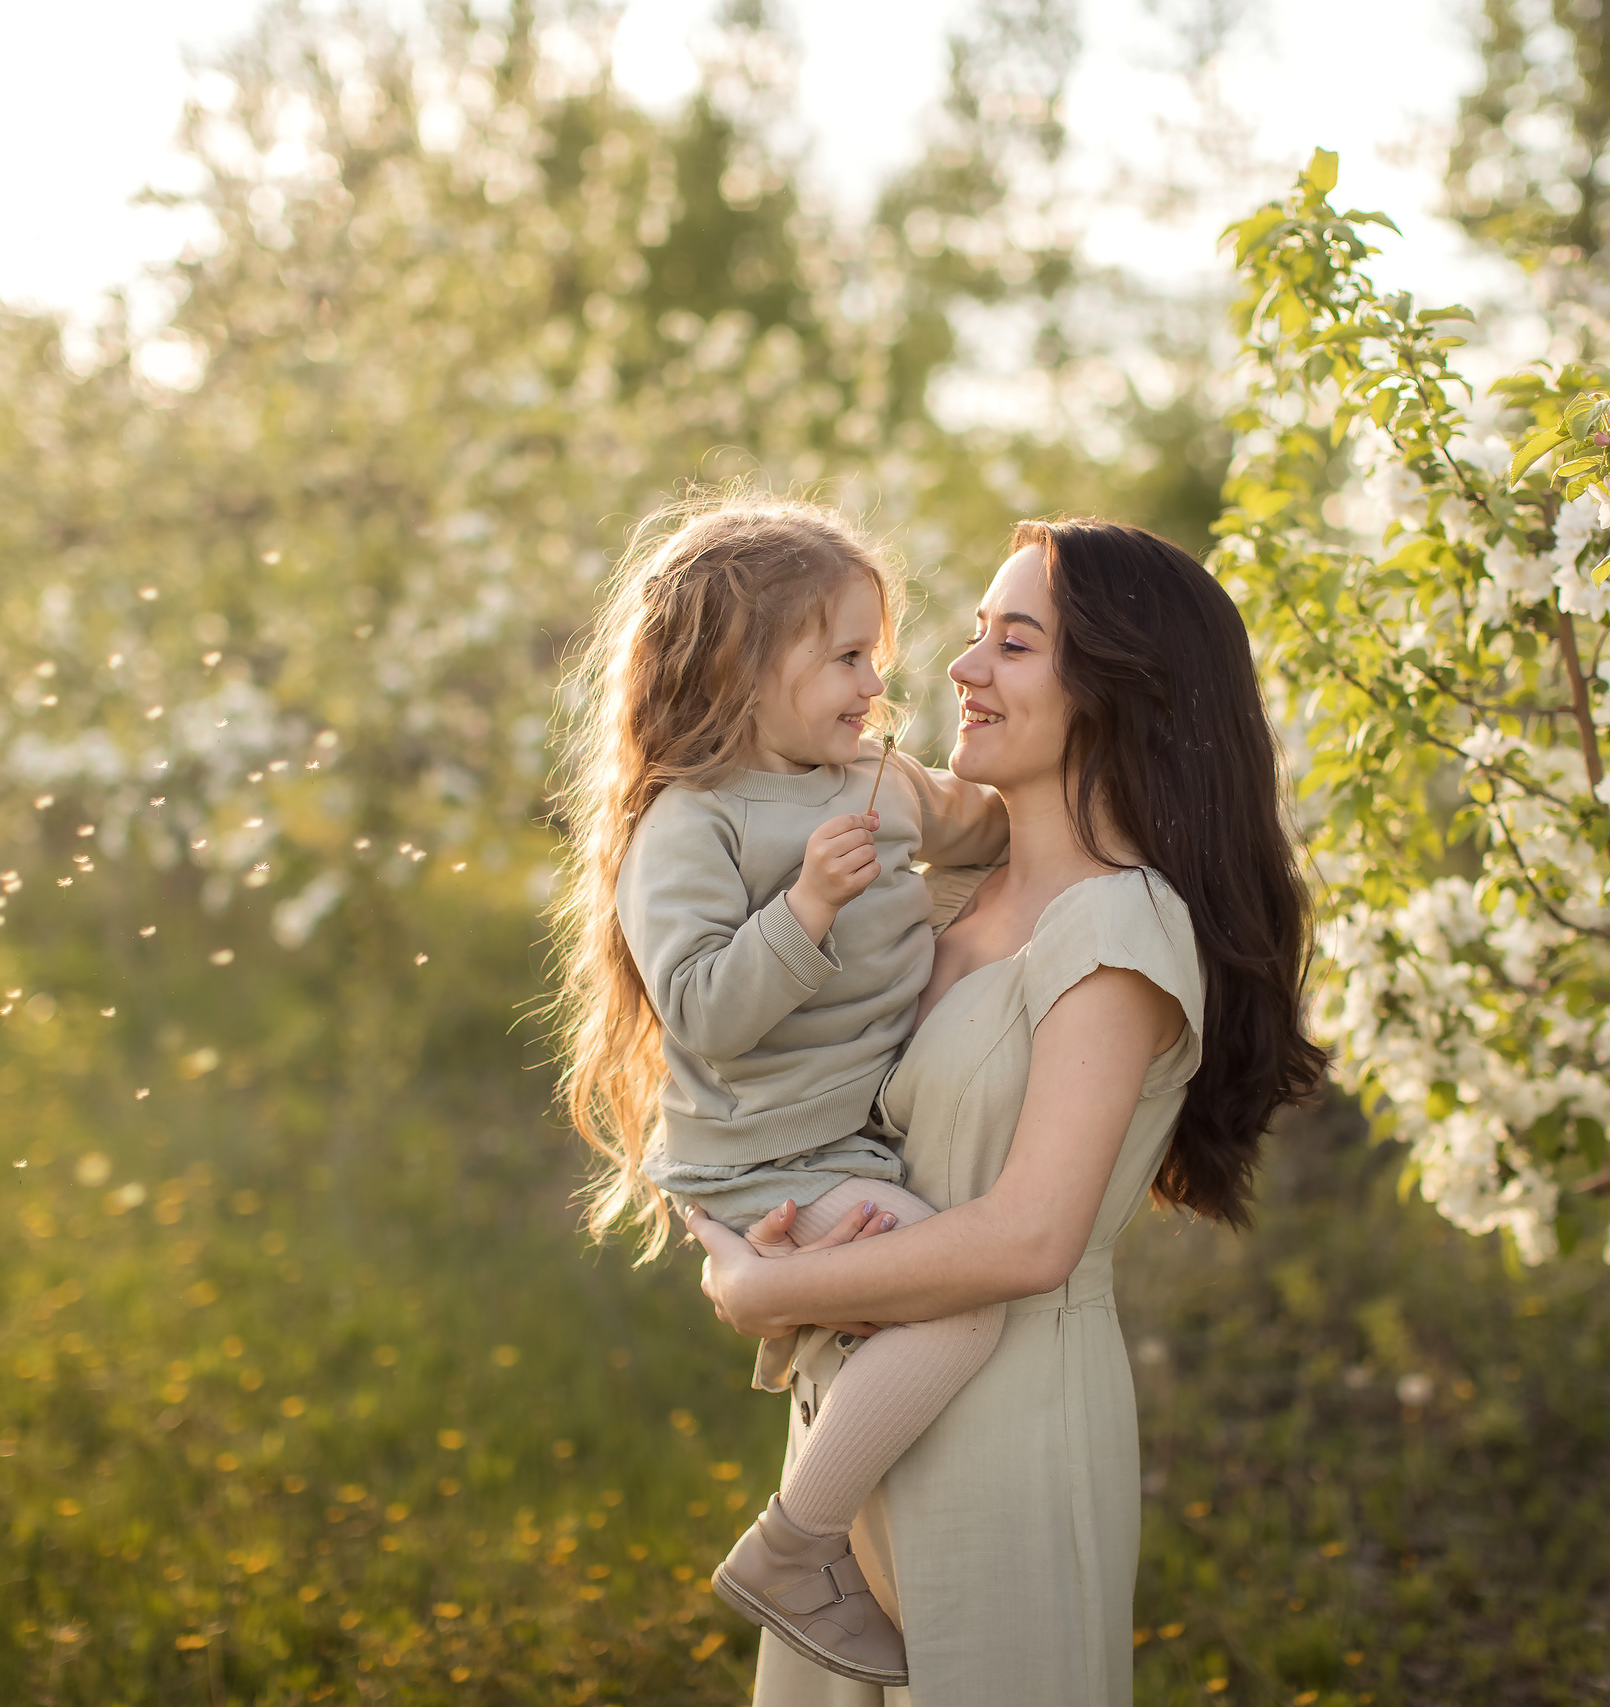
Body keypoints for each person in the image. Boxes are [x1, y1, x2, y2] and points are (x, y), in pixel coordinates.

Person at [691, 517, 1326, 1706]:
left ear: (1119, 688)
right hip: (864, 1409)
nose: (961, 670)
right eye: (977, 634)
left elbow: (1029, 1237)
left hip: (1005, 1425)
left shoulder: (1118, 929)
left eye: (1014, 643)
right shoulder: (947, 895)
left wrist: (762, 1291)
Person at [547, 493, 1014, 1687]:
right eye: (846, 656)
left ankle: (816, 1355)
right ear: (741, 671)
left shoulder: (877, 782)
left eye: (878, 654)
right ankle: (796, 1549)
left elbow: (996, 831)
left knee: (925, 1290)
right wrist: (804, 909)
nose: (875, 683)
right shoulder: (688, 827)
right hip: (764, 1158)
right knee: (958, 1301)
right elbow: (700, 1009)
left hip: (848, 1144)